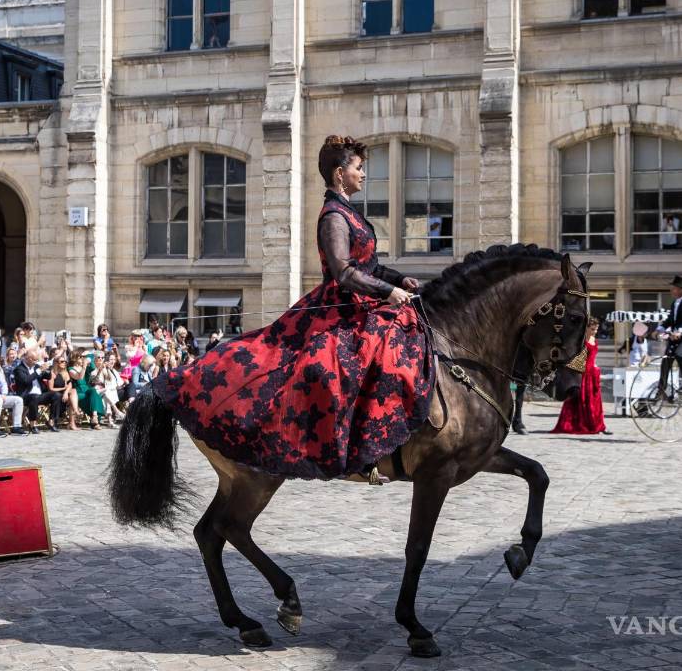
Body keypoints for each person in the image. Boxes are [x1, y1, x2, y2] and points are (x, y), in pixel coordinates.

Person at [144, 135, 432, 480]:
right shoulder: (334, 217)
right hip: (341, 306)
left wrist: (400, 281)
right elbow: (344, 272)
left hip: (363, 300)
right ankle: (354, 457)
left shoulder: (350, 213)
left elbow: (369, 265)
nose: (364, 174)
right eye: (359, 168)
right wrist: (387, 292)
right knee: (345, 366)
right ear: (340, 174)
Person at [551, 318, 610, 435]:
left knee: (595, 401)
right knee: (580, 400)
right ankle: (582, 424)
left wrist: (596, 366)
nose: (594, 332)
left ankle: (597, 425)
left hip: (593, 373)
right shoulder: (581, 341)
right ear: (586, 328)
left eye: (596, 329)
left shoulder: (594, 339)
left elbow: (593, 357)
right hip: (582, 374)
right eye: (592, 329)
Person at [13, 347, 61, 433]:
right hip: (26, 396)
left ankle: (51, 421)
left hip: (40, 394)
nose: (36, 362)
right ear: (28, 359)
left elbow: (48, 377)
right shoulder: (19, 369)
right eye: (35, 360)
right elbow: (26, 380)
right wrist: (39, 371)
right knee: (33, 397)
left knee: (56, 395)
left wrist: (47, 370)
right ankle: (33, 425)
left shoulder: (36, 366)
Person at [67, 349, 106, 429]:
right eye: (80, 357)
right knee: (94, 396)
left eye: (82, 357)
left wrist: (89, 355)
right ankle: (95, 423)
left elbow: (92, 366)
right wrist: (84, 366)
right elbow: (79, 377)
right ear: (75, 358)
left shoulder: (84, 367)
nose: (82, 359)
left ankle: (94, 416)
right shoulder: (71, 369)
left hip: (87, 389)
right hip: (78, 391)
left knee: (93, 391)